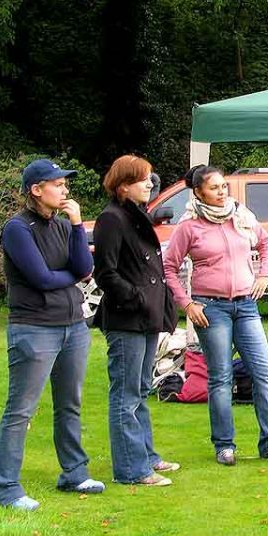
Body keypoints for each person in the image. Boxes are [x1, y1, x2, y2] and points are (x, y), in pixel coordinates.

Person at [163, 165, 268, 465]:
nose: (222, 191)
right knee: (220, 378)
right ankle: (224, 445)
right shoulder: (189, 227)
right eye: (214, 188)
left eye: (223, 186)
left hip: (246, 306)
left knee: (263, 374)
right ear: (198, 192)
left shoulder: (241, 217)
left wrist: (265, 276)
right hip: (210, 309)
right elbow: (169, 268)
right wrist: (188, 305)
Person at [0, 159, 106, 510]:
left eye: (65, 184)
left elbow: (85, 268)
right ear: (36, 189)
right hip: (33, 327)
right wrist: (69, 277)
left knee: (70, 403)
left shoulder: (61, 224)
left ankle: (74, 473)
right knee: (21, 410)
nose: (65, 189)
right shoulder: (17, 228)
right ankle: (7, 487)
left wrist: (75, 225)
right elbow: (41, 278)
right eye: (58, 184)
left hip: (73, 325)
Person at [93, 155, 181, 486]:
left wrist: (161, 306)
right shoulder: (112, 219)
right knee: (126, 394)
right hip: (126, 320)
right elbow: (106, 273)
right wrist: (137, 298)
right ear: (123, 186)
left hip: (146, 318)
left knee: (141, 389)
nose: (150, 184)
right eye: (143, 179)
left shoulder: (135, 216)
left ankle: (146, 456)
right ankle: (131, 469)